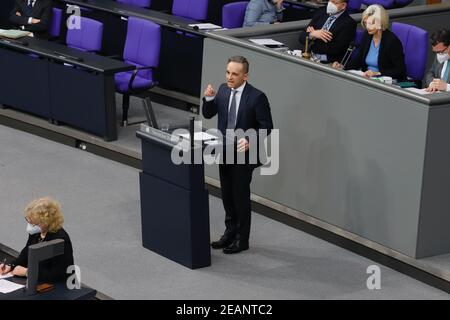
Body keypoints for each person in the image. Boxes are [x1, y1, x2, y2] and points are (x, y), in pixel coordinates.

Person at [202, 56, 273, 254]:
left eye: (234, 74)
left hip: (245, 154)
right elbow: (209, 114)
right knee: (226, 194)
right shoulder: (223, 90)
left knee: (240, 196)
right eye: (227, 72)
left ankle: (242, 240)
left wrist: (251, 139)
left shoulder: (257, 97)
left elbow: (267, 126)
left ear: (245, 76)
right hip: (225, 151)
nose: (229, 77)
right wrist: (208, 98)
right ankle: (229, 233)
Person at [0, 197, 74, 282]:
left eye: (33, 222)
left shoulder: (61, 239)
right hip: (38, 280)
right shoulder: (36, 232)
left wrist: (27, 272)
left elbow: (59, 273)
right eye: (28, 220)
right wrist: (10, 266)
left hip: (58, 285)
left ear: (46, 221)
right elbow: (26, 254)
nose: (30, 225)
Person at [332, 5, 406, 80]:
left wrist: (377, 73)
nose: (368, 27)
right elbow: (359, 59)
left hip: (384, 81)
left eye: (371, 23)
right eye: (365, 23)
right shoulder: (367, 35)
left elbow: (399, 70)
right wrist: (343, 66)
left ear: (381, 22)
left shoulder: (392, 41)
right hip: (367, 78)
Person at [424, 29, 450, 93]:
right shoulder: (439, 54)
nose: (439, 55)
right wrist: (432, 83)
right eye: (436, 52)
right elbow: (430, 73)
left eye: (442, 51)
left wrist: (446, 87)